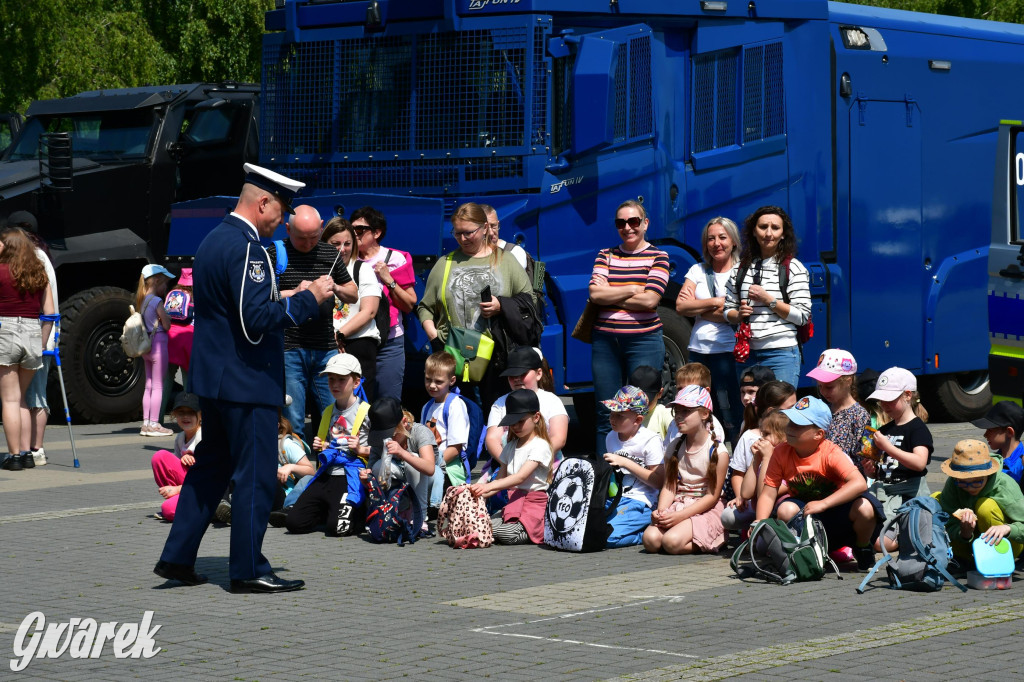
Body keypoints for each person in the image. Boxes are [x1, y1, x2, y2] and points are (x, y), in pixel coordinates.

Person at [155, 163, 335, 593]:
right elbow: (254, 321)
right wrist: (308, 299)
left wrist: (283, 296)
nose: (284, 219)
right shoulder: (250, 248)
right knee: (254, 474)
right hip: (247, 379)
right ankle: (248, 567)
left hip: (216, 379)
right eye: (282, 209)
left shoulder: (214, 239)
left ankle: (177, 557)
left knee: (211, 468)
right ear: (263, 202)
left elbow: (228, 311)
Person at [416, 202, 534, 414]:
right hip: (456, 356)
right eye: (457, 233)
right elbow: (425, 307)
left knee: (496, 417)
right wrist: (435, 337)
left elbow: (530, 301)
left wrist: (501, 305)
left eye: (469, 232)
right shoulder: (445, 263)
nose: (462, 239)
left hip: (497, 356)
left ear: (485, 229)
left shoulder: (506, 260)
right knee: (461, 419)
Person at [754, 396, 883, 570]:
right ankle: (804, 553)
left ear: (819, 434)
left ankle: (862, 548)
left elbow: (859, 483)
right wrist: (759, 523)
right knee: (785, 509)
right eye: (790, 422)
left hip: (838, 514)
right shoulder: (780, 452)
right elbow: (768, 493)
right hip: (806, 516)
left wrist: (823, 504)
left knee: (865, 507)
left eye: (798, 425)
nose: (790, 428)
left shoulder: (830, 452)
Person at [269, 204, 357, 443]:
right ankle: (298, 471)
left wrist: (334, 287)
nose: (308, 243)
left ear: (321, 228)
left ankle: (334, 468)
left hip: (324, 347)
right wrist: (296, 292)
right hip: (290, 347)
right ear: (287, 229)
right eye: (301, 238)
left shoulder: (330, 254)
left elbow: (353, 293)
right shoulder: (275, 253)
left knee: (335, 414)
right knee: (293, 418)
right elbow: (265, 297)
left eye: (313, 237)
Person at [588, 200, 671, 450]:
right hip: (605, 343)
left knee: (640, 411)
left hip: (643, 341)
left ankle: (640, 469)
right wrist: (633, 288)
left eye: (633, 221)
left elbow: (650, 300)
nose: (627, 227)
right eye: (621, 223)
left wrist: (612, 292)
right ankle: (607, 477)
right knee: (606, 412)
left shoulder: (659, 256)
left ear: (645, 224)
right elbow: (594, 295)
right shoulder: (605, 254)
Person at [723, 206, 811, 387]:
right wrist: (738, 315)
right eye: (763, 227)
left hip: (781, 353)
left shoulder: (794, 268)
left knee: (779, 411)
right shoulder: (740, 269)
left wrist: (768, 300)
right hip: (747, 354)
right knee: (751, 412)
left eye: (775, 228)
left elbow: (802, 316)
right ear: (754, 232)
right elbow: (727, 310)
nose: (768, 233)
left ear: (783, 234)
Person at [285, 353, 371, 537]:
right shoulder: (327, 412)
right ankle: (332, 509)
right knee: (294, 523)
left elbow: (383, 449)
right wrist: (321, 445)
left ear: (356, 383)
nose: (335, 385)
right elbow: (329, 445)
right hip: (327, 474)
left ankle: (360, 511)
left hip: (351, 475)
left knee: (337, 529)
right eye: (331, 379)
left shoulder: (367, 411)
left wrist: (362, 449)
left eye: (341, 379)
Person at [676, 217, 743, 442]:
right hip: (699, 352)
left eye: (722, 237)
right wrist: (717, 302)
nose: (716, 243)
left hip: (730, 351)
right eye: (711, 238)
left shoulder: (743, 271)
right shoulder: (697, 270)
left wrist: (700, 309)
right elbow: (681, 306)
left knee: (734, 409)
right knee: (701, 411)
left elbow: (743, 312)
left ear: (733, 241)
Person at [643, 385, 728, 555]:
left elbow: (712, 497)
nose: (679, 417)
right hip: (680, 503)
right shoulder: (675, 446)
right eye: (677, 411)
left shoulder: (718, 452)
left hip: (705, 508)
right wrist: (662, 512)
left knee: (671, 542)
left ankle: (714, 539)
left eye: (686, 411)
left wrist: (681, 516)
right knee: (651, 540)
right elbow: (669, 486)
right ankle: (685, 534)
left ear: (705, 414)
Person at [350, 206, 418, 401]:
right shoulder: (347, 259)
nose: (354, 234)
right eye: (351, 229)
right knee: (357, 402)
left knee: (388, 402)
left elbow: (409, 304)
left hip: (389, 342)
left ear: (377, 232)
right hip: (358, 339)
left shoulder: (394, 259)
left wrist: (389, 279)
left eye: (360, 230)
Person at [0, 228, 54, 470]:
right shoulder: (38, 273)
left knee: (9, 399)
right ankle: (26, 453)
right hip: (33, 332)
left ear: (9, 246)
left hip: (6, 331)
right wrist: (42, 342)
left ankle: (13, 457)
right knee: (21, 398)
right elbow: (51, 313)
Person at [469, 389, 553, 545]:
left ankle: (537, 528)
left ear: (536, 417)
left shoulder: (540, 445)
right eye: (512, 422)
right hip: (513, 501)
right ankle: (504, 528)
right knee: (480, 525)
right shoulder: (510, 446)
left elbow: (520, 477)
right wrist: (478, 493)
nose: (515, 426)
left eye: (520, 421)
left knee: (505, 534)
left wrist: (489, 486)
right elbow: (501, 480)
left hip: (534, 504)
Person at [721, 380, 797, 534]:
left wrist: (768, 457)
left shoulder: (788, 456)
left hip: (778, 510)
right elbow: (746, 493)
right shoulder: (759, 449)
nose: (762, 438)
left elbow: (764, 493)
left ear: (783, 437)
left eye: (767, 434)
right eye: (763, 433)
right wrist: (756, 461)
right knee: (728, 517)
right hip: (759, 510)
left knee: (762, 544)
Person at [864, 367, 933, 526]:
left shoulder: (917, 428)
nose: (884, 405)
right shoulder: (884, 430)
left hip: (906, 494)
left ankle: (906, 534)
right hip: (883, 491)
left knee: (880, 542)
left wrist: (889, 448)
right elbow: (884, 470)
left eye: (890, 399)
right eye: (882, 400)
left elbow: (919, 463)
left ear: (908, 395)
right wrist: (871, 470)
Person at [934, 438, 1024, 562]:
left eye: (976, 482)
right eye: (963, 483)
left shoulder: (1005, 486)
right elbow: (947, 522)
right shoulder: (953, 483)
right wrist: (964, 533)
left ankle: (996, 560)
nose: (969, 488)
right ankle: (965, 560)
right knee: (935, 499)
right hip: (969, 545)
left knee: (985, 506)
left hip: (1006, 546)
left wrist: (1008, 529)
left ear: (988, 474)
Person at [323, 217, 380, 401]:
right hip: (326, 345)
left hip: (358, 344)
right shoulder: (319, 270)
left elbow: (369, 311)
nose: (342, 249)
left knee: (358, 407)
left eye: (347, 243)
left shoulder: (362, 269)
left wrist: (339, 335)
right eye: (335, 244)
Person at [363, 397, 436, 538]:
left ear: (404, 423)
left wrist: (402, 453)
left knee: (412, 459)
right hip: (399, 479)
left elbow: (430, 468)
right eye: (382, 436)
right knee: (379, 465)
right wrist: (365, 478)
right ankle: (388, 513)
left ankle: (419, 517)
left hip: (427, 479)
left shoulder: (420, 432)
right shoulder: (380, 442)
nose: (387, 440)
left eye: (391, 435)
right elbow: (372, 475)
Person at [601, 386, 664, 548]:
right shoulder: (611, 437)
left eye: (620, 415)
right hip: (616, 498)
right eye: (611, 413)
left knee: (607, 538)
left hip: (642, 501)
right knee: (591, 531)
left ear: (637, 420)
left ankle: (645, 535)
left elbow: (658, 481)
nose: (612, 418)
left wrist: (626, 463)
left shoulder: (650, 440)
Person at [484, 346, 568, 463]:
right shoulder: (500, 404)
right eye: (512, 375)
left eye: (523, 373)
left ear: (538, 373)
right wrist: (508, 463)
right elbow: (492, 438)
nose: (517, 379)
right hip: (508, 462)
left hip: (547, 462)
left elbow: (559, 438)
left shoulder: (551, 401)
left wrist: (532, 462)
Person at [808, 349, 870, 464]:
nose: (823, 392)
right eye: (820, 386)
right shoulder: (823, 409)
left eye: (829, 387)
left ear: (848, 381)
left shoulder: (859, 415)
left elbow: (863, 457)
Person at [422, 351, 471, 496]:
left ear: (452, 380)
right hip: (429, 464)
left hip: (449, 468)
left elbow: (456, 448)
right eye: (428, 379)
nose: (432, 385)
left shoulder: (455, 405)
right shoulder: (426, 407)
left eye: (438, 381)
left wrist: (431, 465)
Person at [135, 263, 175, 436]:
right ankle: (154, 424)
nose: (166, 287)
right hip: (158, 343)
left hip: (146, 347)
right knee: (159, 385)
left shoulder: (142, 300)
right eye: (165, 283)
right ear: (157, 281)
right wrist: (168, 317)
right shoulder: (157, 301)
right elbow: (166, 325)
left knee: (149, 385)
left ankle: (145, 423)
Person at [150, 393, 203, 522]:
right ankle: (183, 501)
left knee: (168, 509)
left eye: (191, 412)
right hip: (188, 485)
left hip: (203, 488)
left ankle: (209, 510)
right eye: (181, 413)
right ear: (174, 416)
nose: (185, 416)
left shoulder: (203, 437)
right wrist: (183, 460)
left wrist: (178, 489)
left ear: (201, 415)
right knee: (159, 456)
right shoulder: (180, 437)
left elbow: (208, 476)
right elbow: (175, 471)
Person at [972, 401, 1024, 489]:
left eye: (990, 430)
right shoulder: (990, 460)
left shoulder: (1021, 464)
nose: (985, 435)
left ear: (1009, 432)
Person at [629, 365, 673, 441]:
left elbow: (677, 437)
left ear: (660, 393)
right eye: (636, 399)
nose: (641, 405)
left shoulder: (664, 413)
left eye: (647, 401)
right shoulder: (625, 414)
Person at [480, 204, 529, 270]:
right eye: (485, 228)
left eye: (493, 226)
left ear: (498, 224)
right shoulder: (469, 254)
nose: (491, 233)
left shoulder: (515, 252)